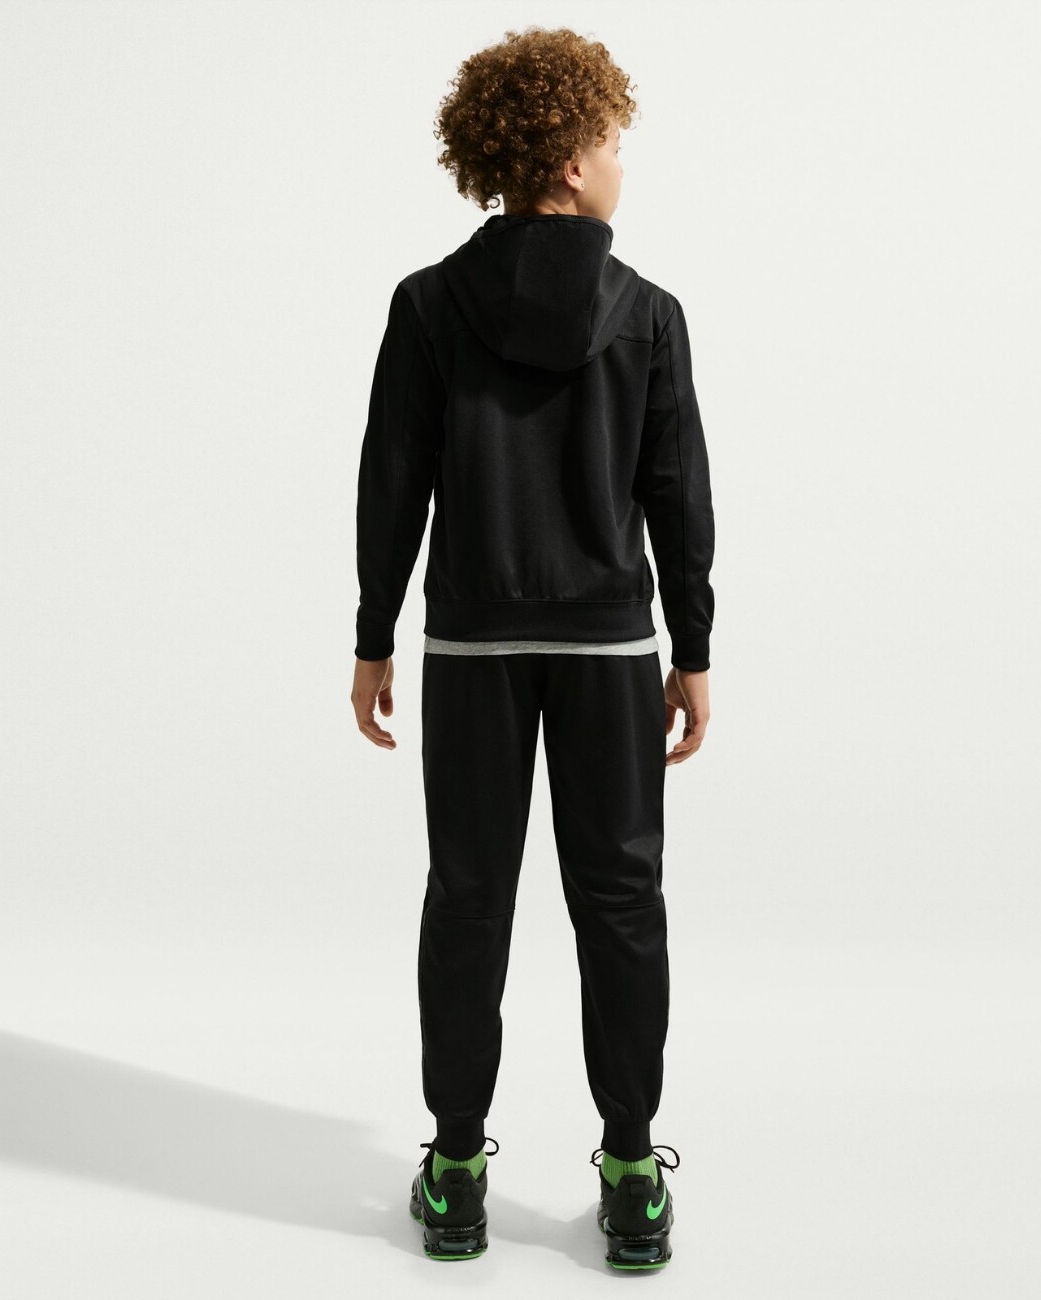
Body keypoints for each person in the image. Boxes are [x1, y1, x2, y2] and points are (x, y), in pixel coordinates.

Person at [349, 25, 714, 1269]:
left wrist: (373, 631)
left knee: (468, 899)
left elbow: (391, 481)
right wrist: (692, 646)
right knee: (621, 901)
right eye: (610, 141)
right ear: (566, 160)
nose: (621, 163)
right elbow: (678, 494)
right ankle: (631, 1173)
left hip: (473, 647)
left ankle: (456, 1169)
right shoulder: (647, 315)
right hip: (610, 651)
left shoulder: (427, 305)